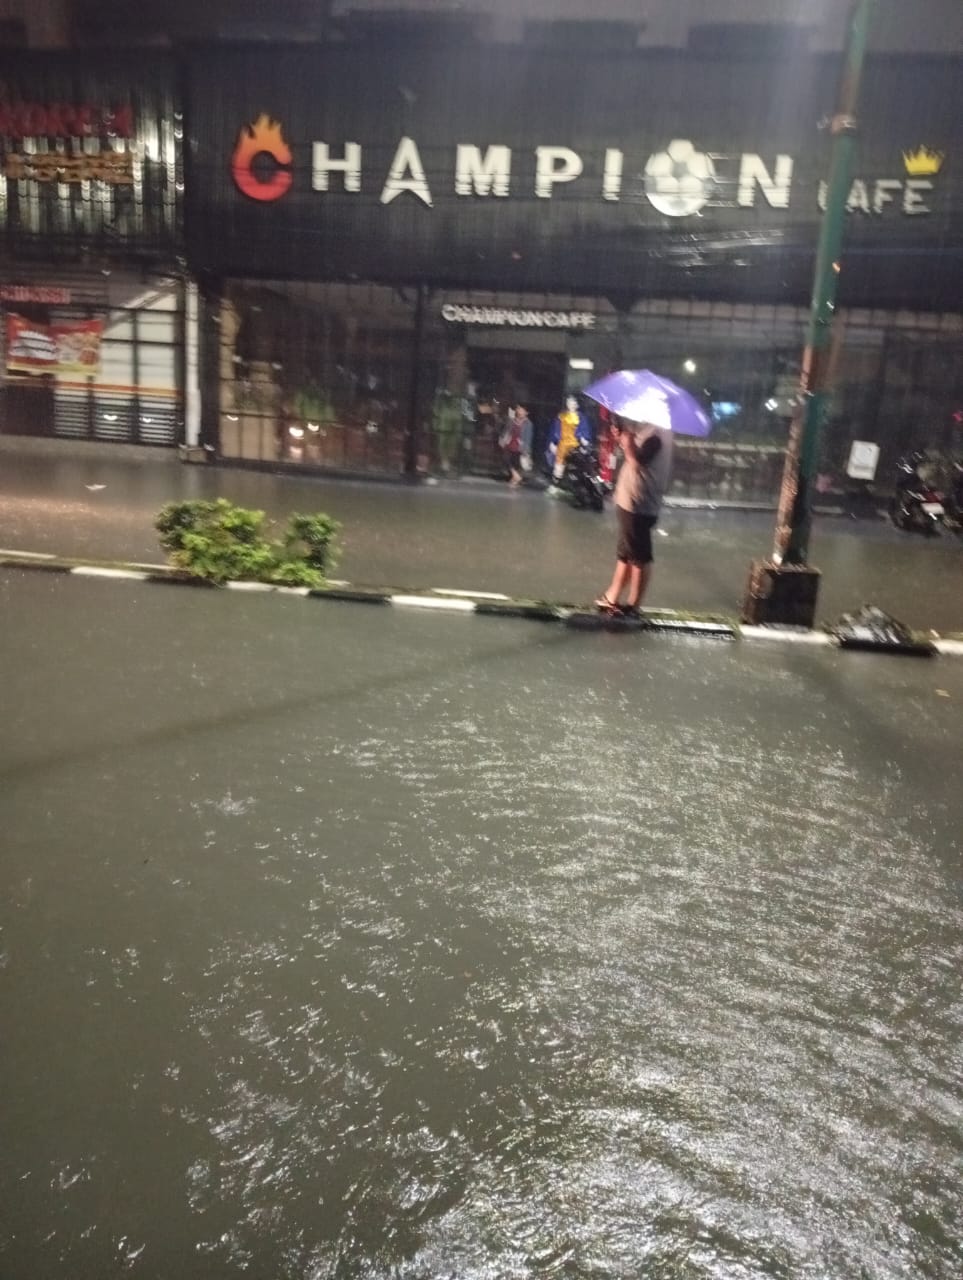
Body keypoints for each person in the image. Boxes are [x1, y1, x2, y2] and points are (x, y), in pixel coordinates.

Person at [595, 418, 673, 616]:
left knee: (638, 556)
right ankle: (612, 596)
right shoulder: (648, 430)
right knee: (626, 552)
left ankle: (633, 605)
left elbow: (636, 462)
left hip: (639, 503)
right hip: (630, 500)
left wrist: (626, 441)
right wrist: (624, 436)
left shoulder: (656, 435)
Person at [546, 395, 591, 491]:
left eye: (574, 402)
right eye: (570, 402)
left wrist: (584, 439)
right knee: (559, 464)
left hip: (576, 445)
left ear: (577, 404)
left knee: (576, 466)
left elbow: (584, 430)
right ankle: (556, 483)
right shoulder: (561, 416)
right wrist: (553, 442)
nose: (572, 405)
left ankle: (576, 487)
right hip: (563, 443)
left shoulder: (581, 418)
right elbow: (555, 431)